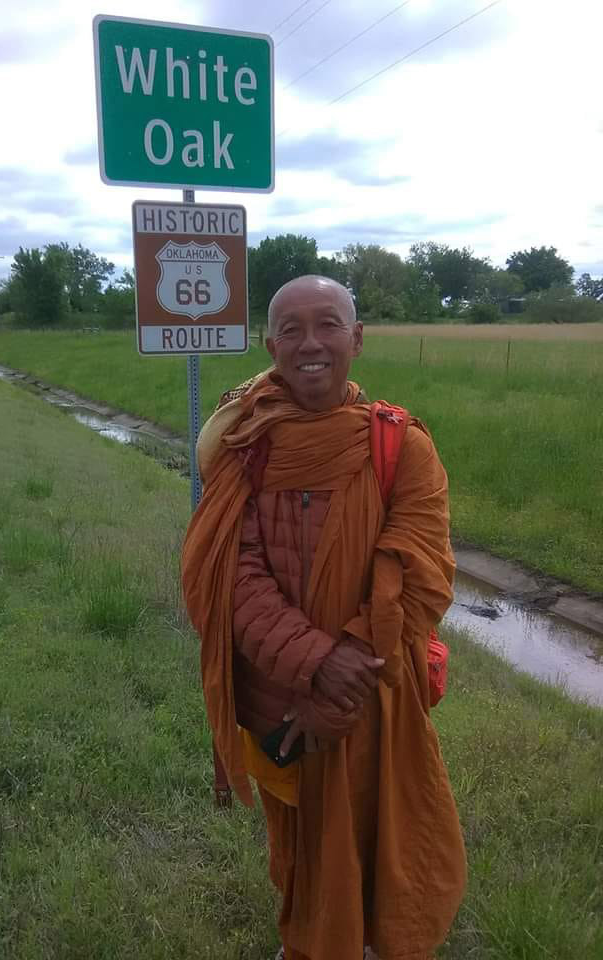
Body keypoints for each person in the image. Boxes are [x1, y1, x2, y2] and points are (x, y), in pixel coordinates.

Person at [181, 275, 466, 960]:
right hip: (278, 696)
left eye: (329, 324)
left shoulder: (403, 448)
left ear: (357, 339)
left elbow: (420, 576)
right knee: (297, 843)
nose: (311, 343)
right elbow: (231, 575)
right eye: (293, 329)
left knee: (382, 831)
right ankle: (307, 940)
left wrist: (343, 680)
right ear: (270, 343)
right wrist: (315, 664)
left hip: (374, 697)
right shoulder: (246, 445)